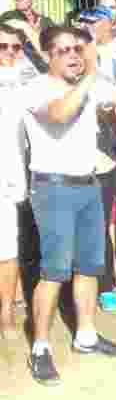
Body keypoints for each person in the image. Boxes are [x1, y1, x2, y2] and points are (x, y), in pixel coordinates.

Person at [22, 27, 116, 385]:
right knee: (54, 271)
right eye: (65, 50)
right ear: (49, 56)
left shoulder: (89, 85)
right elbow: (59, 115)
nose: (74, 56)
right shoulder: (39, 88)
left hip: (88, 184)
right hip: (53, 188)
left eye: (78, 49)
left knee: (88, 266)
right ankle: (40, 347)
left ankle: (85, 335)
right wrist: (89, 80)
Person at [0, 24, 31, 342]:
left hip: (11, 177)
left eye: (15, 47)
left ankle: (6, 312)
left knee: (7, 248)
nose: (9, 52)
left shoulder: (26, 81)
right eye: (2, 46)